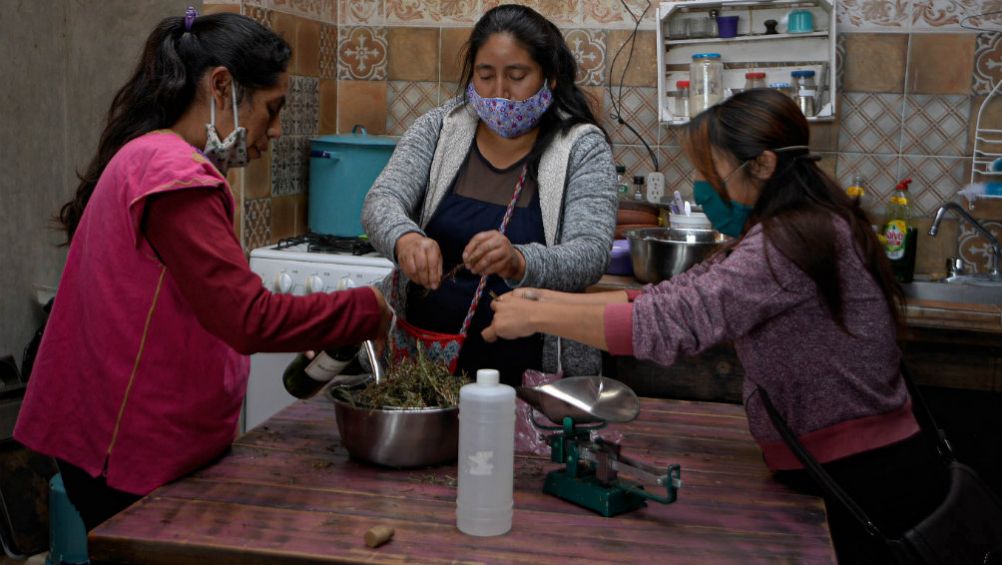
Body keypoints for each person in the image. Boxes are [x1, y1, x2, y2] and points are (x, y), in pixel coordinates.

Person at [483, 89, 949, 564]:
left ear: (763, 165)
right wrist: (540, 298)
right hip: (842, 463)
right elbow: (673, 295)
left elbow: (670, 321)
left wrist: (537, 315)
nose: (705, 188)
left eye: (712, 172)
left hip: (862, 477)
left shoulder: (791, 241)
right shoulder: (805, 224)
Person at [14, 9, 390, 532]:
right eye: (271, 109)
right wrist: (362, 309)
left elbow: (201, 302)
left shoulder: (152, 157)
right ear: (220, 86)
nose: (276, 130)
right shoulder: (175, 176)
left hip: (120, 439)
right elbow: (245, 318)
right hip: (125, 448)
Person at [361, 4, 617, 386]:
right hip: (420, 370)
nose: (500, 94)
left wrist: (518, 261)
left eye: (517, 76)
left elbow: (590, 252)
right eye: (485, 76)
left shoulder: (580, 147)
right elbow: (382, 201)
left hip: (534, 379)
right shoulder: (441, 128)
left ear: (551, 78)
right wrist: (406, 238)